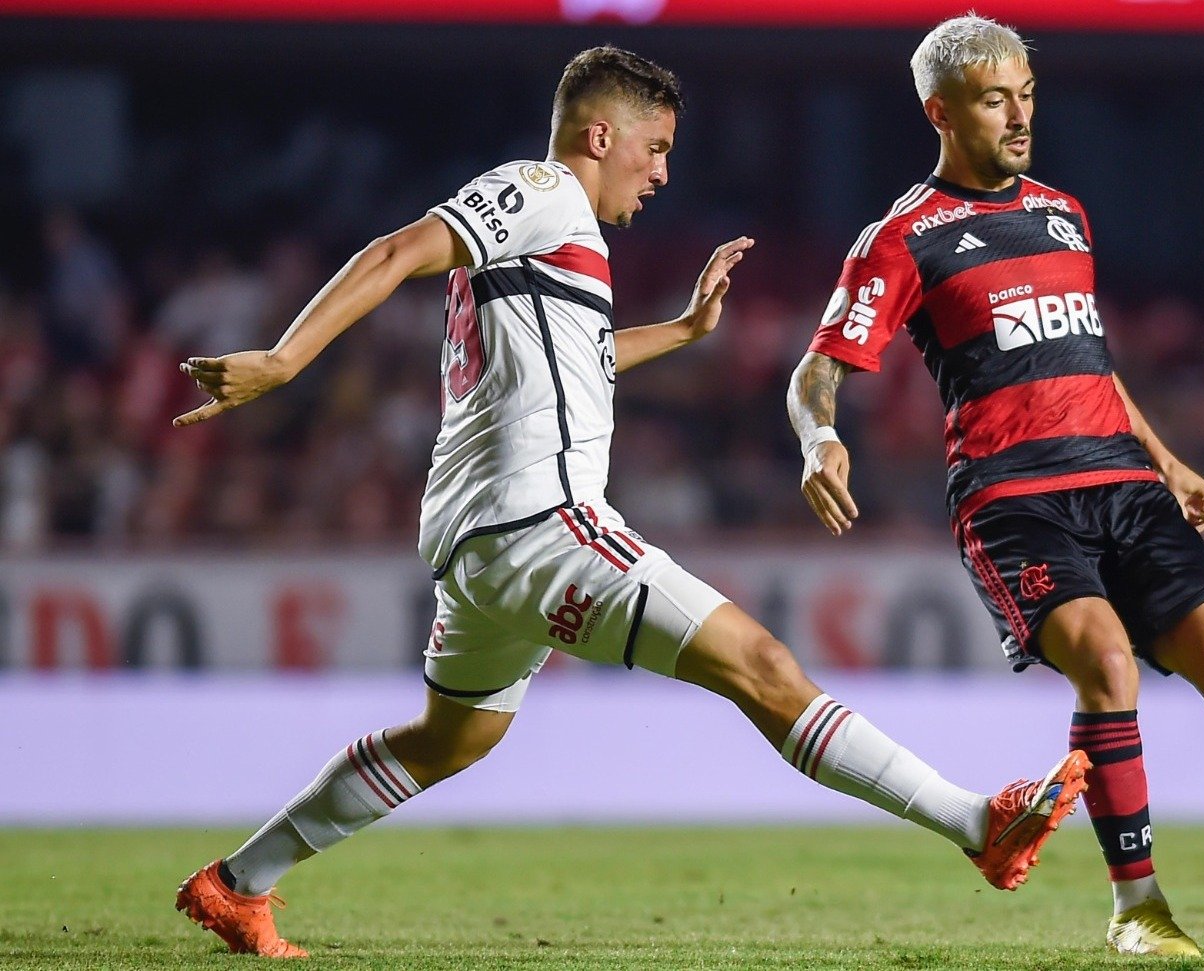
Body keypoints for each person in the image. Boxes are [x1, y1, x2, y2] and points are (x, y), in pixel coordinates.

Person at [170, 46, 1089, 960]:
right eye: (655, 149)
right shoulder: (541, 190)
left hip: (480, 540)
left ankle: (237, 883)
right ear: (600, 136)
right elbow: (395, 250)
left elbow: (585, 357)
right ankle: (978, 824)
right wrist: (283, 360)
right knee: (761, 663)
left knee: (451, 738)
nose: (661, 174)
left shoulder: (558, 240)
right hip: (541, 521)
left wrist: (684, 330)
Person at [786, 16, 1204, 956]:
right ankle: (1138, 908)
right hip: (1014, 498)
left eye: (1027, 95)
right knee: (1109, 664)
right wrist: (821, 437)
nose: (1020, 116)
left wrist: (1165, 457)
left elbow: (1088, 360)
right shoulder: (904, 237)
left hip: (1123, 481)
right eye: (995, 100)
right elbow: (818, 367)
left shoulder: (1064, 213)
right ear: (940, 112)